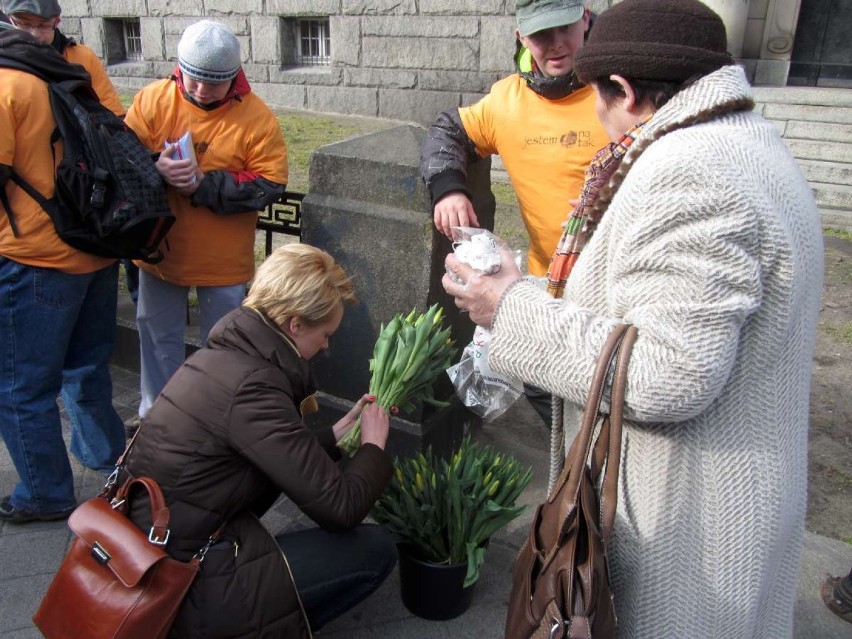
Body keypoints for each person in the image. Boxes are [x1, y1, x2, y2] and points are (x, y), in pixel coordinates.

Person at [442, 0, 824, 636]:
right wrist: (533, 289)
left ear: (621, 89)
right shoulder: (741, 139)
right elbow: (650, 305)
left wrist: (509, 309)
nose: (594, 111)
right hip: (724, 506)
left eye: (595, 93)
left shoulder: (692, 171)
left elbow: (668, 373)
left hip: (691, 532)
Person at [123, 243, 397, 637]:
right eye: (325, 334)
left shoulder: (226, 356)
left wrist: (336, 436)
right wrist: (373, 446)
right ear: (294, 325)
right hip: (178, 572)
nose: (326, 346)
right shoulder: (255, 386)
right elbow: (341, 509)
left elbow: (267, 449)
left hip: (155, 541)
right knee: (375, 550)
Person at [420, 0, 609, 428]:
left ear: (585, 18)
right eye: (541, 34)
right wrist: (448, 188)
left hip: (612, 293)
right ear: (521, 35)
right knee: (551, 399)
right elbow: (448, 131)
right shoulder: (507, 100)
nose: (556, 45)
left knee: (607, 409)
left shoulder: (616, 89)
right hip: (547, 287)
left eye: (565, 27)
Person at [124, 20, 288, 425]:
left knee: (222, 347)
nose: (200, 91)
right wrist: (153, 167)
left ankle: (211, 422)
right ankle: (155, 419)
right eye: (192, 79)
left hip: (222, 262)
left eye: (212, 83)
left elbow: (269, 183)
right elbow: (121, 158)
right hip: (160, 252)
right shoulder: (153, 100)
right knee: (156, 338)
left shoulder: (257, 118)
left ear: (234, 78)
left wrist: (203, 184)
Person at [0, 28, 126, 523]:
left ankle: (46, 492)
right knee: (86, 367)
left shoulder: (6, 86)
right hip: (95, 251)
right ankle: (111, 464)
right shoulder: (76, 69)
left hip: (37, 259)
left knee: (21, 389)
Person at [3, 0, 139, 302]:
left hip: (86, 231)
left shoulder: (80, 57)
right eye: (24, 24)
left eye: (43, 25)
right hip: (38, 247)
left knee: (83, 348)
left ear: (58, 21)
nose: (35, 34)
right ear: (8, 18)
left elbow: (115, 127)